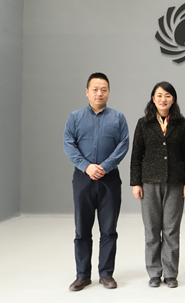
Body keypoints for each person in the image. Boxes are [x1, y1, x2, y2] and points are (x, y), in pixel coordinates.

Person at [63, 72, 129, 291]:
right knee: (82, 229)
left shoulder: (118, 118)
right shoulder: (74, 117)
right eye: (95, 89)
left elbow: (123, 145)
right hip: (83, 179)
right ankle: (82, 275)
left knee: (109, 229)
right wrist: (87, 166)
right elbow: (68, 144)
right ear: (87, 92)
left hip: (110, 179)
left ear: (109, 92)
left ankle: (106, 274)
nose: (99, 93)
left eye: (104, 89)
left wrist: (104, 167)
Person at [130, 81, 185, 289]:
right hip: (149, 182)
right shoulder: (143, 123)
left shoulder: (181, 123)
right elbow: (136, 155)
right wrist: (136, 183)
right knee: (151, 230)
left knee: (171, 230)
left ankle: (171, 273)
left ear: (173, 99)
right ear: (153, 98)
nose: (163, 99)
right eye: (159, 95)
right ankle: (154, 273)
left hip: (175, 182)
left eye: (167, 95)